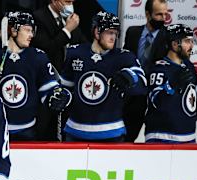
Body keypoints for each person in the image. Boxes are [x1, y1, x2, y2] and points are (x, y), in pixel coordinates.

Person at [0, 11, 71, 140]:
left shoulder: (38, 57)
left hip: (26, 131)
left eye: (32, 31)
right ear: (13, 30)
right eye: (27, 30)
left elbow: (49, 88)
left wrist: (56, 96)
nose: (31, 35)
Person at [60, 11, 146, 142]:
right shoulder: (76, 52)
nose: (113, 37)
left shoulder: (124, 57)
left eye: (115, 33)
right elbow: (64, 86)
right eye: (109, 32)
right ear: (97, 32)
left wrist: (130, 77)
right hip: (76, 131)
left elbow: (142, 83)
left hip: (111, 133)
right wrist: (60, 96)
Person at [32, 0, 87, 141]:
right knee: (45, 132)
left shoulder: (71, 20)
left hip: (68, 86)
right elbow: (45, 50)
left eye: (72, 1)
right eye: (66, 1)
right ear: (54, 1)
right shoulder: (38, 18)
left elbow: (84, 47)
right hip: (45, 87)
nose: (70, 4)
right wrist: (67, 30)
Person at [123, 0, 168, 142]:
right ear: (148, 14)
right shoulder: (133, 32)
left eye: (165, 14)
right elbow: (125, 59)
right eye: (159, 14)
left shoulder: (169, 37)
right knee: (125, 140)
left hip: (155, 99)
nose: (163, 18)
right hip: (131, 99)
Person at [145, 24, 197, 143]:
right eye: (187, 41)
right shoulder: (159, 69)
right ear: (174, 44)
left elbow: (191, 96)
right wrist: (172, 84)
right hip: (162, 137)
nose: (191, 45)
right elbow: (156, 100)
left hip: (188, 137)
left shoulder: (189, 67)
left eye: (191, 41)